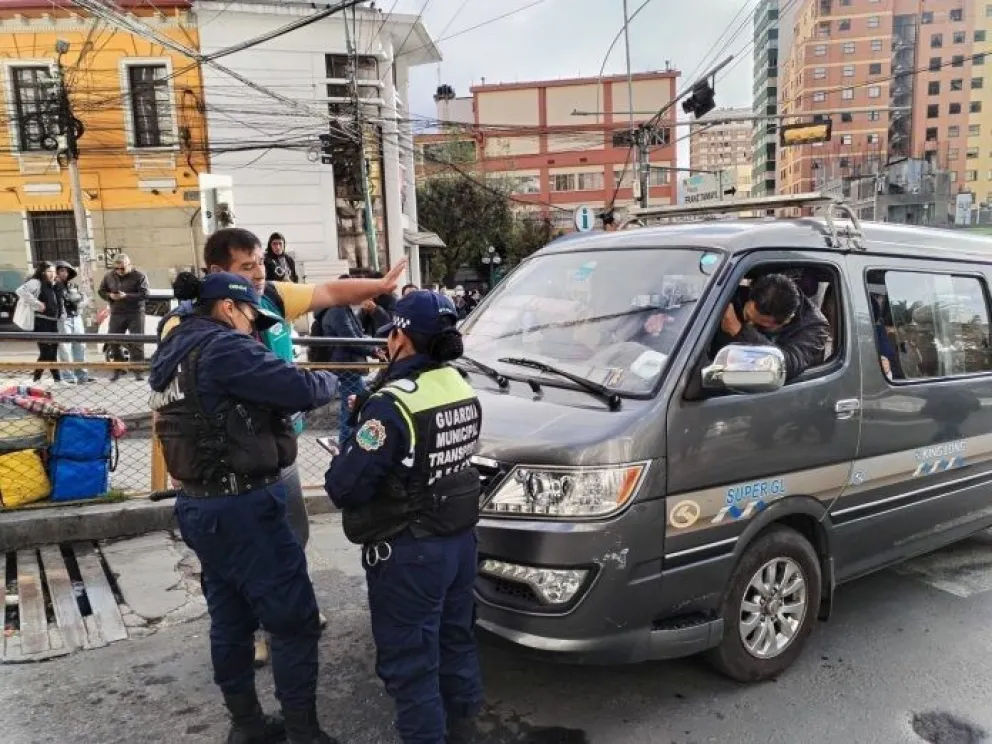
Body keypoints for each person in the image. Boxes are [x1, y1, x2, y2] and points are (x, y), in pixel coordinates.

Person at [159, 227, 407, 666]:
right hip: (224, 461)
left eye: (260, 263)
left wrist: (382, 286)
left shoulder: (271, 295)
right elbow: (167, 399)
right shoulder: (186, 325)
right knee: (237, 559)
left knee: (292, 536)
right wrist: (172, 463)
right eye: (246, 267)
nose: (258, 274)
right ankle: (257, 632)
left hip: (277, 444)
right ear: (217, 273)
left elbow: (329, 291)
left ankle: (293, 613)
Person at [150, 272, 341, 744]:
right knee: (294, 622)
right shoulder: (224, 349)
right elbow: (296, 390)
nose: (253, 326)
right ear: (229, 308)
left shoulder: (171, 352)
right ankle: (303, 731)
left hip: (199, 504)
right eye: (251, 315)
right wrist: (331, 379)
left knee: (230, 618)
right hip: (246, 505)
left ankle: (247, 725)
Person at [325, 290, 485, 744]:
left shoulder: (392, 403)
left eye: (391, 334)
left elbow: (345, 487)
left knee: (412, 666)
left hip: (411, 551)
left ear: (402, 337)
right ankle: (465, 731)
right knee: (455, 643)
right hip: (458, 541)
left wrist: (349, 450)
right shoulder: (461, 384)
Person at [711, 273, 829, 382]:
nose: (749, 325)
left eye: (760, 325)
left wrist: (738, 331)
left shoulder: (814, 328)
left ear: (787, 320)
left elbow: (785, 366)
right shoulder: (731, 297)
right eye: (747, 316)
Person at [320, 279, 385, 443]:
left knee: (352, 404)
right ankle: (347, 442)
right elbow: (350, 339)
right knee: (352, 406)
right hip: (347, 366)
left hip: (347, 365)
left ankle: (347, 442)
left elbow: (355, 335)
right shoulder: (338, 311)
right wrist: (373, 349)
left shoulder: (341, 309)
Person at [98, 253, 149, 382]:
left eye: (122, 268)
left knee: (137, 342)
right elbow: (101, 291)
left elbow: (145, 294)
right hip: (117, 312)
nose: (119, 271)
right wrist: (110, 296)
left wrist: (126, 295)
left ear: (129, 265)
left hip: (135, 312)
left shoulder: (139, 276)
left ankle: (138, 371)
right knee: (113, 341)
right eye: (117, 268)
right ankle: (119, 368)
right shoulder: (109, 276)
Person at [16, 262, 64, 382]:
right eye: (49, 271)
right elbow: (20, 291)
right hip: (41, 321)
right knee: (46, 351)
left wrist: (62, 314)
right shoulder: (36, 282)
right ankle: (36, 379)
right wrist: (37, 304)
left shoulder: (55, 284)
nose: (52, 274)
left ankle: (57, 380)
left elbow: (59, 301)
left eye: (54, 271)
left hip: (53, 322)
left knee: (52, 351)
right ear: (43, 272)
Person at [55, 261, 94, 384]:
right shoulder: (53, 286)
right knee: (65, 348)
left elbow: (81, 299)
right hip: (62, 319)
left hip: (76, 317)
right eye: (61, 270)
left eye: (66, 271)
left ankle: (82, 375)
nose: (64, 273)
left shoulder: (73, 286)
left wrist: (81, 304)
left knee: (80, 346)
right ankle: (68, 377)